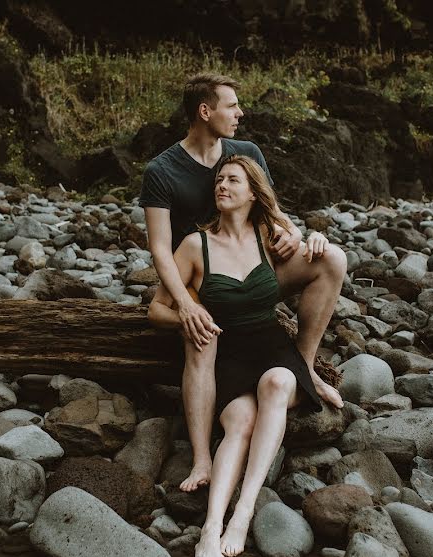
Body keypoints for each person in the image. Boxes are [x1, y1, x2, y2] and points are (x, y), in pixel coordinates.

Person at [140, 73, 346, 492]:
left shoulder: (244, 153)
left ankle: (303, 364)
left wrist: (292, 233)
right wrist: (186, 304)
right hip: (197, 274)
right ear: (205, 111)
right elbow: (161, 250)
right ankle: (201, 460)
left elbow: (271, 208)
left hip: (251, 263)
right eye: (232, 106)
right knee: (202, 338)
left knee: (333, 260)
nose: (240, 113)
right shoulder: (162, 171)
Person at [149, 156, 337, 557]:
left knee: (276, 385)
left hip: (272, 349)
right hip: (227, 357)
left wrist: (317, 239)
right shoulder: (195, 246)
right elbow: (156, 309)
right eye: (218, 180)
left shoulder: (269, 236)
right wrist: (188, 314)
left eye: (233, 180)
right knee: (238, 424)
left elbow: (311, 255)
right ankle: (210, 527)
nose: (221, 186)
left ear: (253, 192)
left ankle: (243, 512)